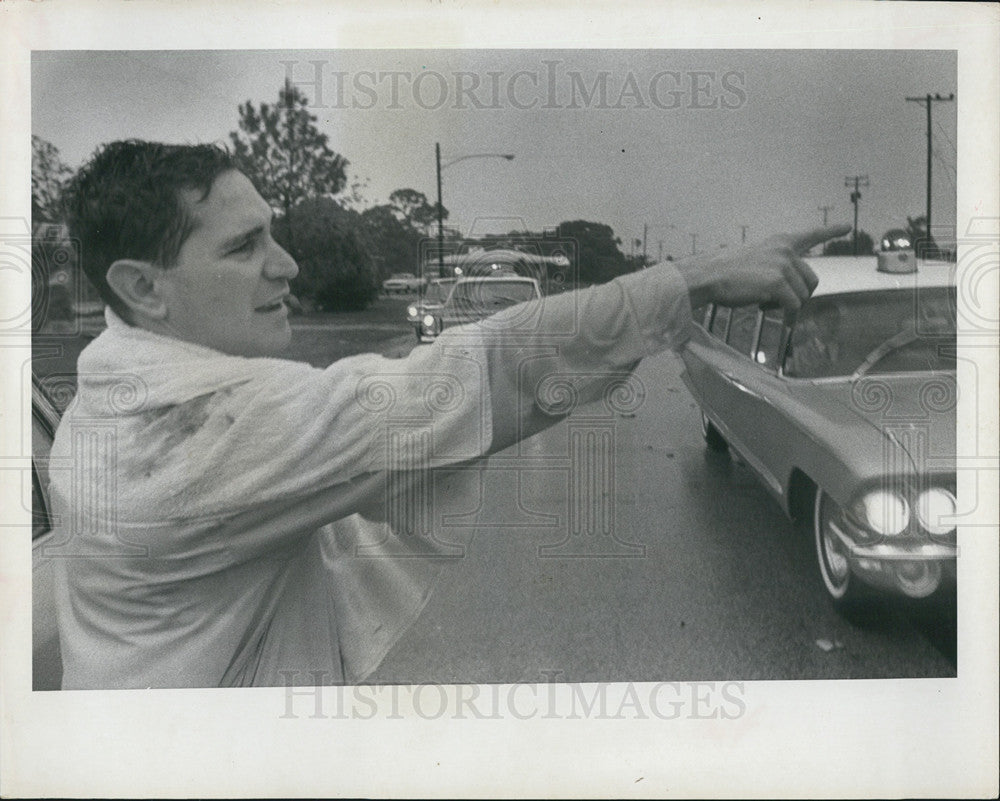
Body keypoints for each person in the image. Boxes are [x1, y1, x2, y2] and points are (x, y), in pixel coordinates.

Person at [49, 139, 848, 689]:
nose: (287, 264)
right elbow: (477, 375)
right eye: (243, 247)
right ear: (144, 287)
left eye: (274, 238)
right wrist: (695, 277)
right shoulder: (188, 435)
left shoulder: (116, 395)